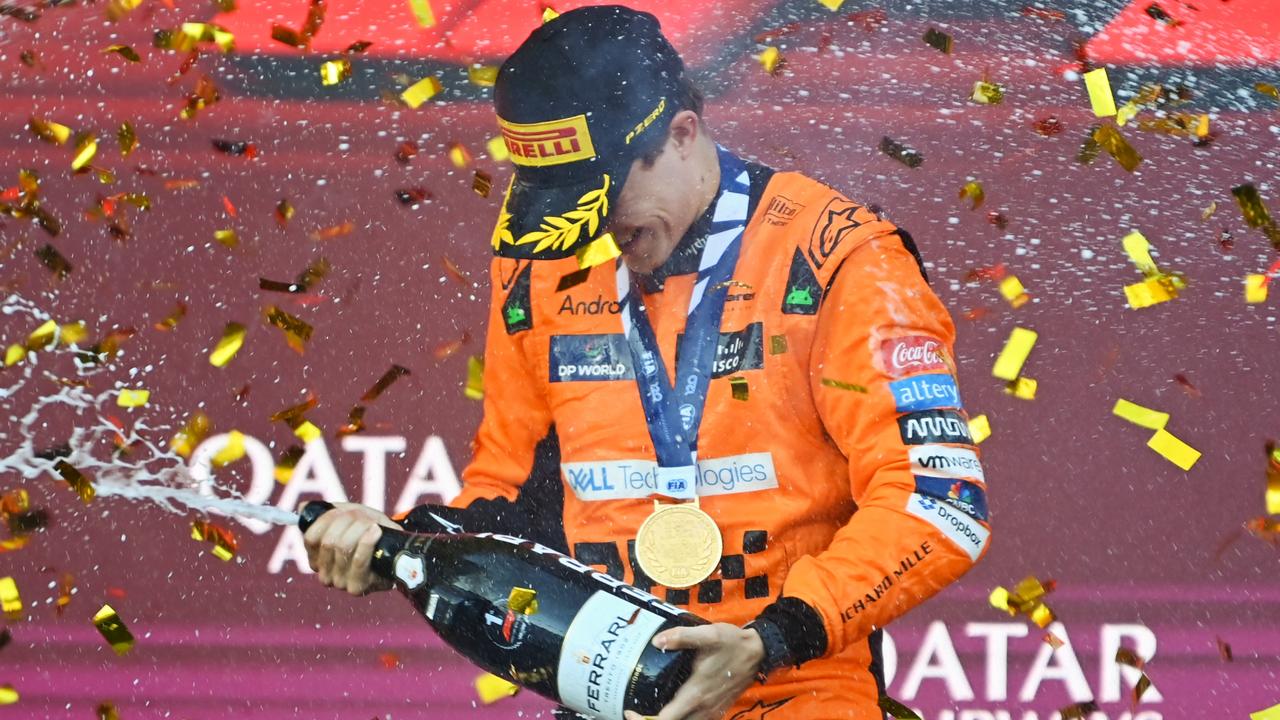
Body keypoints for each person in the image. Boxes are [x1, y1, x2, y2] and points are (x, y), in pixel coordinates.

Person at [303, 5, 992, 719]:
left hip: (796, 689)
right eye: (563, 202)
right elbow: (511, 503)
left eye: (602, 195)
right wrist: (402, 542)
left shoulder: (838, 259)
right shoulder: (541, 271)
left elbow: (941, 503)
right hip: (608, 694)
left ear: (682, 134)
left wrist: (770, 639)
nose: (591, 228)